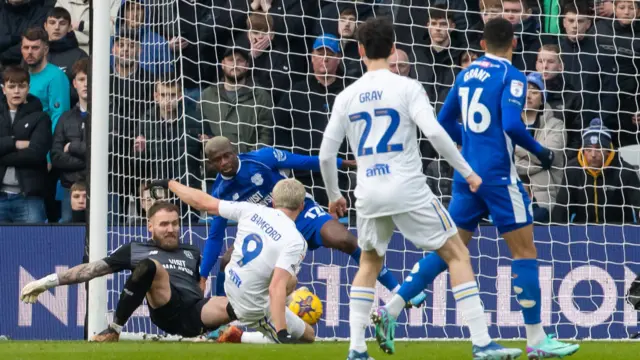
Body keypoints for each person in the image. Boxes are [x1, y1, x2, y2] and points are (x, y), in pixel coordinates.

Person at [318, 17, 522, 360]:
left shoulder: (346, 96)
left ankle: (355, 349)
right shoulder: (407, 87)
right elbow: (437, 133)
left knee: (368, 262)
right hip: (407, 188)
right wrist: (468, 171)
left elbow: (326, 155)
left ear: (360, 50)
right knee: (456, 253)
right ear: (394, 47)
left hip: (368, 192)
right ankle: (482, 342)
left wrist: (334, 194)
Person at [394, 18, 579, 358]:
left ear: (481, 44)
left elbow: (443, 122)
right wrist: (542, 152)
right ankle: (537, 340)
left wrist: (467, 146)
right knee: (524, 253)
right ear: (515, 43)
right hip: (498, 178)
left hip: (466, 176)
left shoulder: (464, 75)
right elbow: (512, 124)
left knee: (449, 250)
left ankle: (391, 309)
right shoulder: (512, 76)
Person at [200, 136, 412, 305]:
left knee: (346, 240)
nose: (224, 163)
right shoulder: (220, 191)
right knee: (227, 262)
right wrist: (202, 275)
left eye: (227, 156)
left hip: (301, 213)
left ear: (234, 151)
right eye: (217, 160)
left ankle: (398, 290)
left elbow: (304, 161)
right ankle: (221, 319)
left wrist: (347, 163)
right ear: (211, 163)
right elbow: (215, 236)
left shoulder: (262, 158)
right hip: (269, 231)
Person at [20, 201, 226, 341]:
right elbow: (90, 270)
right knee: (150, 265)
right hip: (167, 310)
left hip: (195, 313)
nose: (171, 229)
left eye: (175, 223)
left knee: (231, 302)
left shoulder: (192, 251)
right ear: (150, 227)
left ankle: (217, 332)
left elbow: (200, 284)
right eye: (164, 224)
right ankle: (115, 329)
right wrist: (46, 282)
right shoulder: (136, 250)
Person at [0, 66, 52, 223]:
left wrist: (3, 153)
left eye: (21, 86)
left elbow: (36, 154)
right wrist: (16, 143)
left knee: (34, 245)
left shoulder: (41, 117)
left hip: (29, 198)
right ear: (3, 89)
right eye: (11, 86)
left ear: (28, 88)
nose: (16, 91)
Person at [51, 58, 89, 223]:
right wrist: (88, 160)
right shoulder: (65, 118)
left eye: (90, 79)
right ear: (74, 83)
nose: (86, 84)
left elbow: (109, 154)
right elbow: (56, 157)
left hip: (104, 193)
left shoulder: (111, 116)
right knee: (69, 240)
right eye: (81, 79)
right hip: (69, 190)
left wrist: (72, 147)